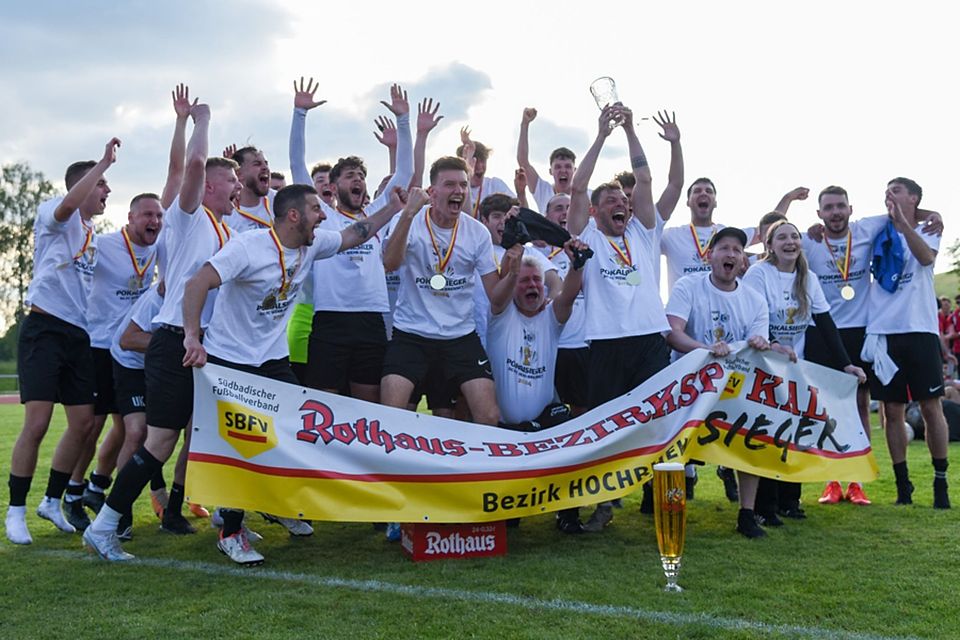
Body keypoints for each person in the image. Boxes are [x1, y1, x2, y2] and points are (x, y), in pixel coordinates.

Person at [81, 101, 236, 560]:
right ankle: (106, 523)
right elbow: (187, 164)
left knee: (210, 435)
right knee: (160, 442)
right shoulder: (189, 219)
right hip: (174, 341)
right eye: (229, 183)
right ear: (207, 187)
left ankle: (231, 518)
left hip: (204, 344)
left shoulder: (221, 228)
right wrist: (200, 119)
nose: (237, 190)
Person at [5, 138, 120, 545]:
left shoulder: (92, 232)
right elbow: (68, 205)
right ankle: (15, 510)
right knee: (37, 423)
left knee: (84, 424)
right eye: (102, 184)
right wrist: (102, 161)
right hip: (45, 328)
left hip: (78, 335)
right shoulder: (54, 214)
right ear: (83, 185)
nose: (107, 191)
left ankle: (51, 501)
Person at [562, 102, 669, 532]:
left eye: (623, 200)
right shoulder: (586, 236)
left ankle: (657, 498)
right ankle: (604, 504)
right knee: (606, 427)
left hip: (649, 340)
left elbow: (644, 177)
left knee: (656, 422)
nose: (621, 203)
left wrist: (629, 131)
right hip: (605, 342)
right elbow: (578, 188)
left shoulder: (643, 233)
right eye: (611, 201)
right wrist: (602, 134)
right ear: (596, 212)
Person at [291, 81, 413, 403]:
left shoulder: (375, 213)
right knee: (322, 406)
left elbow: (406, 171)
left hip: (371, 318)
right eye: (349, 175)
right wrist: (299, 112)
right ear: (332, 185)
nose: (357, 179)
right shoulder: (325, 219)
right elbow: (296, 166)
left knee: (367, 406)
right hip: (331, 318)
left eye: (361, 174)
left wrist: (404, 121)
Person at [742, 220, 866, 523]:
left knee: (795, 434)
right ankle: (763, 507)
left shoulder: (807, 277)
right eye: (781, 237)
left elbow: (825, 323)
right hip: (763, 364)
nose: (790, 242)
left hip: (795, 367)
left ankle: (790, 500)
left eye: (795, 237)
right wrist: (772, 344)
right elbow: (753, 317)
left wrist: (845, 362)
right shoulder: (758, 274)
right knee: (769, 434)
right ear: (769, 245)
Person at [381, 157, 516, 427]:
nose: (459, 191)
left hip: (459, 336)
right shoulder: (409, 219)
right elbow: (389, 263)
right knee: (391, 414)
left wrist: (513, 270)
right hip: (412, 334)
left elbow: (496, 299)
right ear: (432, 192)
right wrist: (408, 213)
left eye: (463, 185)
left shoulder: (476, 232)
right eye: (450, 184)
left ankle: (477, 469)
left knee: (488, 415)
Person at [63, 192, 163, 532]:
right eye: (147, 215)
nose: (154, 221)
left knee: (129, 430)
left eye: (159, 216)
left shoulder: (158, 247)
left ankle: (99, 489)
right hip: (97, 345)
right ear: (130, 218)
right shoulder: (105, 245)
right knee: (91, 425)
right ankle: (73, 494)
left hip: (132, 351)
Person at [664, 227, 771, 537]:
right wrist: (706, 350)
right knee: (678, 446)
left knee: (749, 443)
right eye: (724, 248)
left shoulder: (754, 299)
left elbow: (759, 341)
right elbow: (673, 333)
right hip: (691, 386)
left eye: (737, 250)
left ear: (743, 261)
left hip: (736, 387)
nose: (731, 254)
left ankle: (747, 514)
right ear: (709, 255)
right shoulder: (688, 287)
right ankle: (673, 505)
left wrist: (763, 344)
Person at [864, 178, 950, 508]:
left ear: (913, 197)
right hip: (884, 332)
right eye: (886, 190)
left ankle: (940, 482)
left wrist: (905, 223)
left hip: (920, 330)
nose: (889, 195)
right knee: (891, 409)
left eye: (896, 190)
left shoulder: (930, 226)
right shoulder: (878, 228)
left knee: (931, 407)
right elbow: (842, 228)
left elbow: (926, 258)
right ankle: (904, 487)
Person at [517, 107, 584, 212]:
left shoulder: (585, 195)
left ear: (575, 170)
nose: (563, 170)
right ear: (550, 171)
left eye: (567, 166)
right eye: (557, 167)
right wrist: (524, 124)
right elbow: (523, 162)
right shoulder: (543, 191)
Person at [456, 128, 515, 217]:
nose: (480, 166)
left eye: (483, 161)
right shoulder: (455, 189)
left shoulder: (495, 184)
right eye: (475, 161)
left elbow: (517, 207)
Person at [227, 146, 275, 234]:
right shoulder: (227, 213)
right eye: (257, 164)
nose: (265, 168)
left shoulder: (278, 201)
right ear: (239, 174)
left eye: (266, 163)